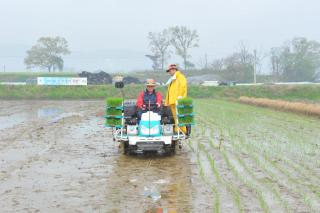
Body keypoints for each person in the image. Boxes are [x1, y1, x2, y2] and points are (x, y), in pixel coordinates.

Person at [165, 64, 188, 134]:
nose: (169, 72)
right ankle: (177, 130)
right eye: (168, 71)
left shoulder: (180, 77)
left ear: (174, 70)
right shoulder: (173, 79)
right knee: (176, 118)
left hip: (178, 101)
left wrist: (180, 98)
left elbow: (183, 88)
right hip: (173, 101)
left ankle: (183, 131)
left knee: (180, 117)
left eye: (170, 71)